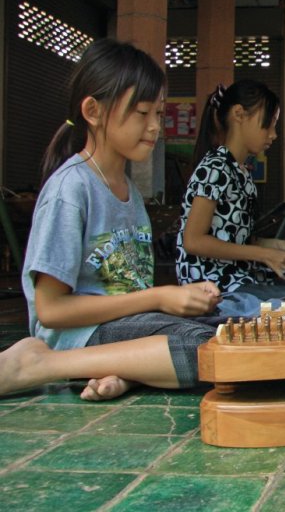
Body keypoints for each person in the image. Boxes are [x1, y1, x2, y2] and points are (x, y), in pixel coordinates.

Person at [0, 39, 221, 401]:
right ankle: (39, 365)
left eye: (159, 115)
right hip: (78, 334)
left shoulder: (128, 192)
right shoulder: (70, 190)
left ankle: (126, 371)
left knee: (233, 331)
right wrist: (160, 297)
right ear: (93, 110)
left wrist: (173, 299)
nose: (154, 127)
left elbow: (130, 293)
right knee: (209, 349)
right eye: (141, 113)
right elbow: (50, 310)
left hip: (121, 328)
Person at [177, 80, 285, 311]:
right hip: (214, 290)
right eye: (269, 124)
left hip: (238, 282)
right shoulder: (215, 168)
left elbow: (229, 239)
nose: (273, 134)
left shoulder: (240, 171)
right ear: (239, 114)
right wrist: (262, 254)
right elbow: (193, 241)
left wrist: (270, 246)